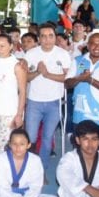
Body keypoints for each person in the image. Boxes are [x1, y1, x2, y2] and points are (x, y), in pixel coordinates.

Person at [24, 23, 71, 168]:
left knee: (47, 138)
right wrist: (38, 72)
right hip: (34, 102)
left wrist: (47, 74)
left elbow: (67, 78)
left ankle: (42, 168)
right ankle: (30, 168)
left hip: (54, 102)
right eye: (43, 36)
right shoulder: (31, 54)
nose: (47, 39)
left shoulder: (62, 54)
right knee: (30, 137)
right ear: (38, 38)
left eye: (50, 36)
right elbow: (25, 77)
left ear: (55, 37)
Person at [0, 34, 27, 164]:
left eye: (2, 46)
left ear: (11, 46)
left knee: (5, 147)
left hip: (9, 113)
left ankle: (8, 176)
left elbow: (22, 92)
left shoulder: (17, 66)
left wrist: (19, 115)